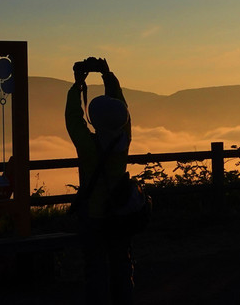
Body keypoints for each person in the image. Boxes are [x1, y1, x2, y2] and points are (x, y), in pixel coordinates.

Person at [65, 56, 135, 304]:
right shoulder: (123, 141)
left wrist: (77, 86)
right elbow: (122, 108)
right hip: (120, 212)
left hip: (93, 215)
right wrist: (108, 75)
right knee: (121, 264)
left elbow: (73, 119)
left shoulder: (88, 147)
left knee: (95, 268)